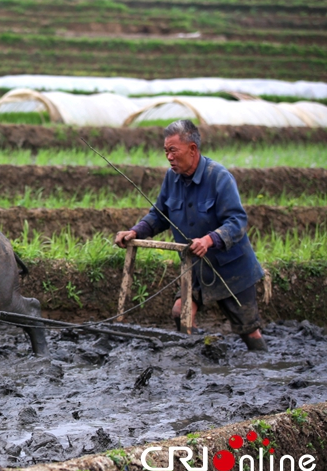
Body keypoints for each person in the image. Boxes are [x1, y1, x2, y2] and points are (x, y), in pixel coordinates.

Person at [114, 120, 268, 351]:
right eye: (166, 151)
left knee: (248, 329)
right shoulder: (171, 178)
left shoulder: (219, 177)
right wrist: (135, 231)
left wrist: (209, 240)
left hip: (231, 268)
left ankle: (262, 365)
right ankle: (197, 360)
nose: (169, 157)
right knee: (180, 313)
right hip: (195, 266)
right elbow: (159, 215)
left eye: (173, 150)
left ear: (192, 149)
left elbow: (237, 221)